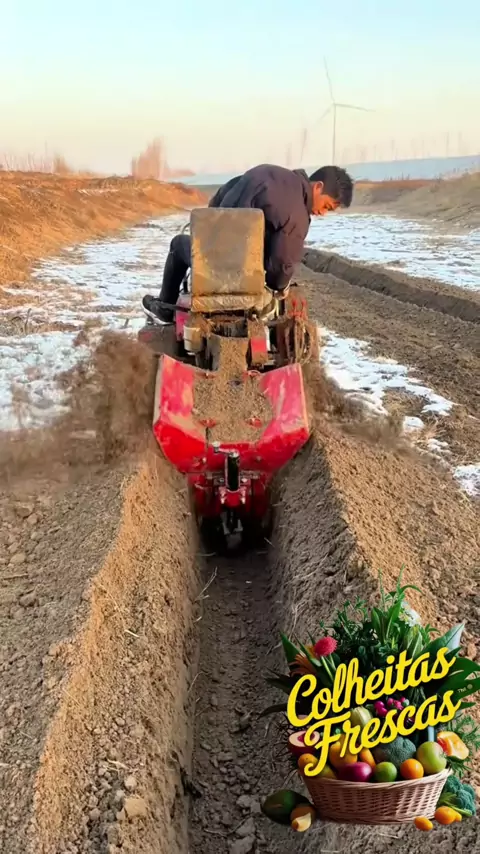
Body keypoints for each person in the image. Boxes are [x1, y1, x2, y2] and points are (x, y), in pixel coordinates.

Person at [142, 163, 353, 323]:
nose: (323, 213)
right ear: (318, 187)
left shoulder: (266, 172)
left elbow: (217, 203)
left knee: (179, 243)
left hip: (209, 262)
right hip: (243, 278)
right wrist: (278, 286)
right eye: (327, 206)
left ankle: (166, 306)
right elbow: (282, 265)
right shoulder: (298, 213)